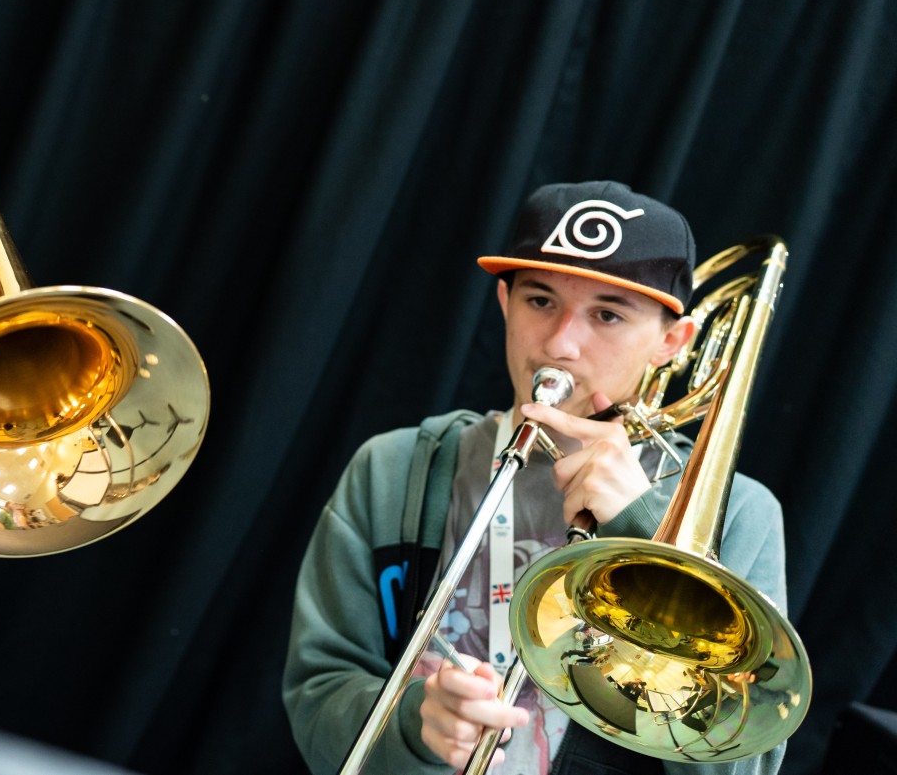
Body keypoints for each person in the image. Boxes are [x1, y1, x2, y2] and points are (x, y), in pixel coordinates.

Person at [283, 181, 788, 774]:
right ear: (503, 302)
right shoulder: (393, 468)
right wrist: (415, 724)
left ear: (671, 342)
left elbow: (739, 765)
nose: (559, 343)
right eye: (541, 300)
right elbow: (317, 693)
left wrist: (646, 536)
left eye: (607, 314)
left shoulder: (739, 513)